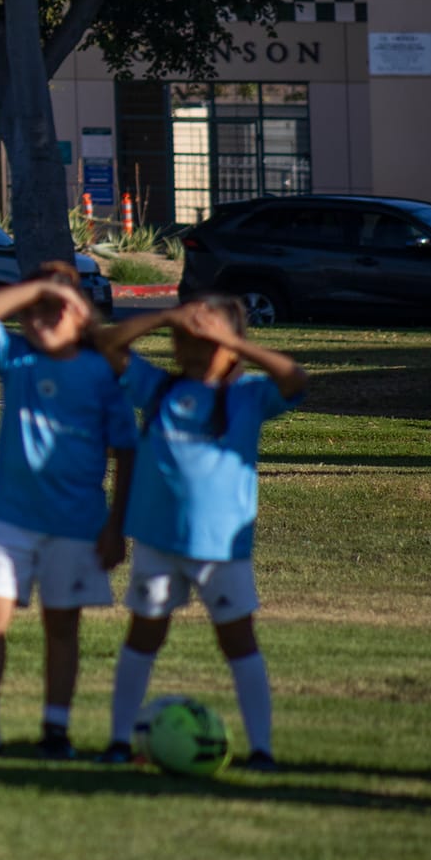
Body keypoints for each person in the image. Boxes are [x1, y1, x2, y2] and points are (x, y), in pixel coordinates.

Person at [94, 296, 307, 771]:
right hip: (157, 540)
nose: (191, 350)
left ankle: (262, 750)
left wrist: (231, 341)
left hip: (220, 548)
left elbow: (294, 379)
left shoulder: (248, 396)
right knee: (143, 636)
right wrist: (166, 316)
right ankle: (116, 741)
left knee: (238, 642)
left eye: (205, 343)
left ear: (232, 348)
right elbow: (105, 344)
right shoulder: (158, 388)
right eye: (182, 340)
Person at [0, 264, 136, 759]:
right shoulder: (17, 359)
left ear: (78, 316)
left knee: (61, 628)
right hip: (10, 519)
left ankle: (55, 730)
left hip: (76, 524)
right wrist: (39, 288)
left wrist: (116, 527)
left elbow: (126, 450)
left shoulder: (102, 373)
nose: (41, 322)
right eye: (32, 313)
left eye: (54, 313)